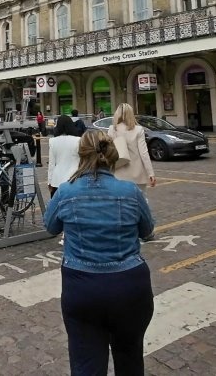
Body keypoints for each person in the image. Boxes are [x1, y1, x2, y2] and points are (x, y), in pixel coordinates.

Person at [44, 129, 156, 376]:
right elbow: (148, 231)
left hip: (82, 287)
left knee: (86, 364)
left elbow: (50, 227)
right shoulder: (130, 192)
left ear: (80, 155)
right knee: (130, 359)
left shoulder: (66, 191)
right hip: (129, 284)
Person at [107, 103, 156, 191]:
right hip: (137, 174)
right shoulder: (138, 129)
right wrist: (150, 173)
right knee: (141, 200)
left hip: (118, 172)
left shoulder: (112, 129)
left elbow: (108, 151)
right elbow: (144, 153)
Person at [47, 116, 81, 199]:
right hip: (75, 180)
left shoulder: (53, 141)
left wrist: (49, 182)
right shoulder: (79, 140)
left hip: (57, 180)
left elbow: (51, 164)